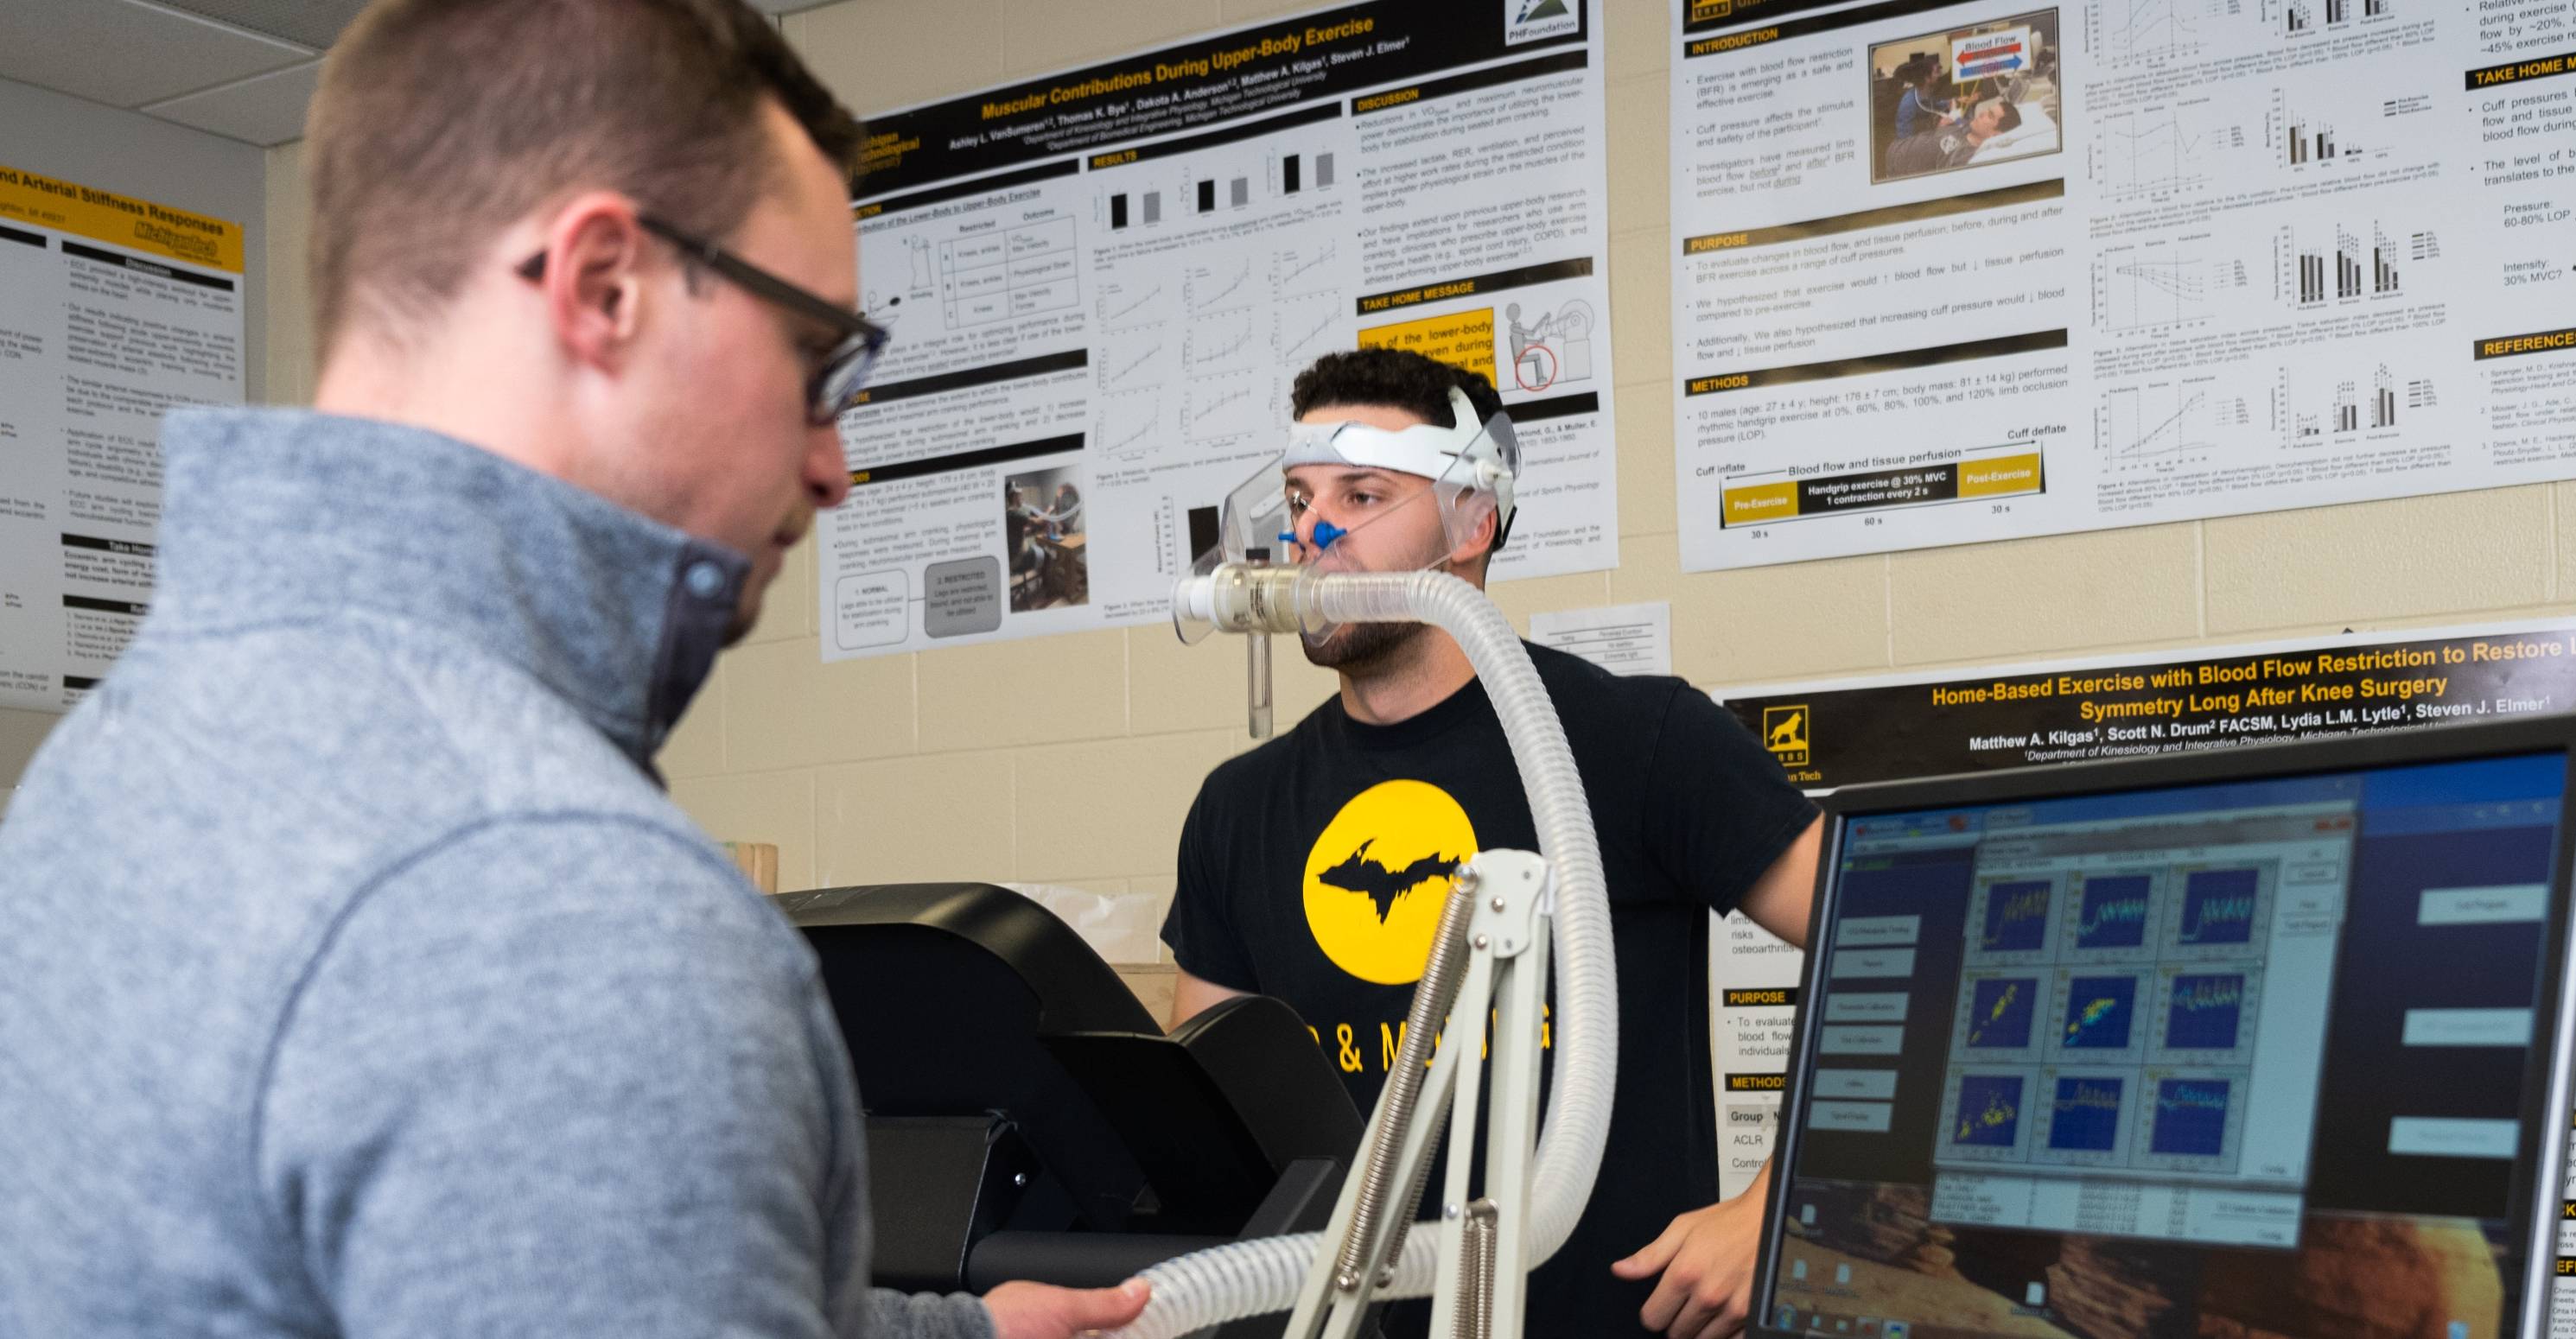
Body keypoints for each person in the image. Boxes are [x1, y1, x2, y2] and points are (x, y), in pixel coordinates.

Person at [0, 3, 1143, 1338]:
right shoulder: (553, 892)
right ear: (605, 286)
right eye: (816, 359)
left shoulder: (129, 757)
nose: (833, 464)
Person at [1162, 347, 1824, 1339]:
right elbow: (1200, 1112)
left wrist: (1781, 1204)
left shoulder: (1635, 742)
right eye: (1298, 498)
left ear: (1473, 522)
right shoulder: (1237, 806)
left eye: (1364, 492)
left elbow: (1895, 945)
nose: (1314, 533)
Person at [1884, 95, 2022, 177]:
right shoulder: (1969, 126)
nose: (1982, 113)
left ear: (1996, 134)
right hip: (1898, 145)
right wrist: (1942, 126)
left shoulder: (1966, 157)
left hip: (1893, 169)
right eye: (1987, 110)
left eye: (1990, 116)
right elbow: (1956, 122)